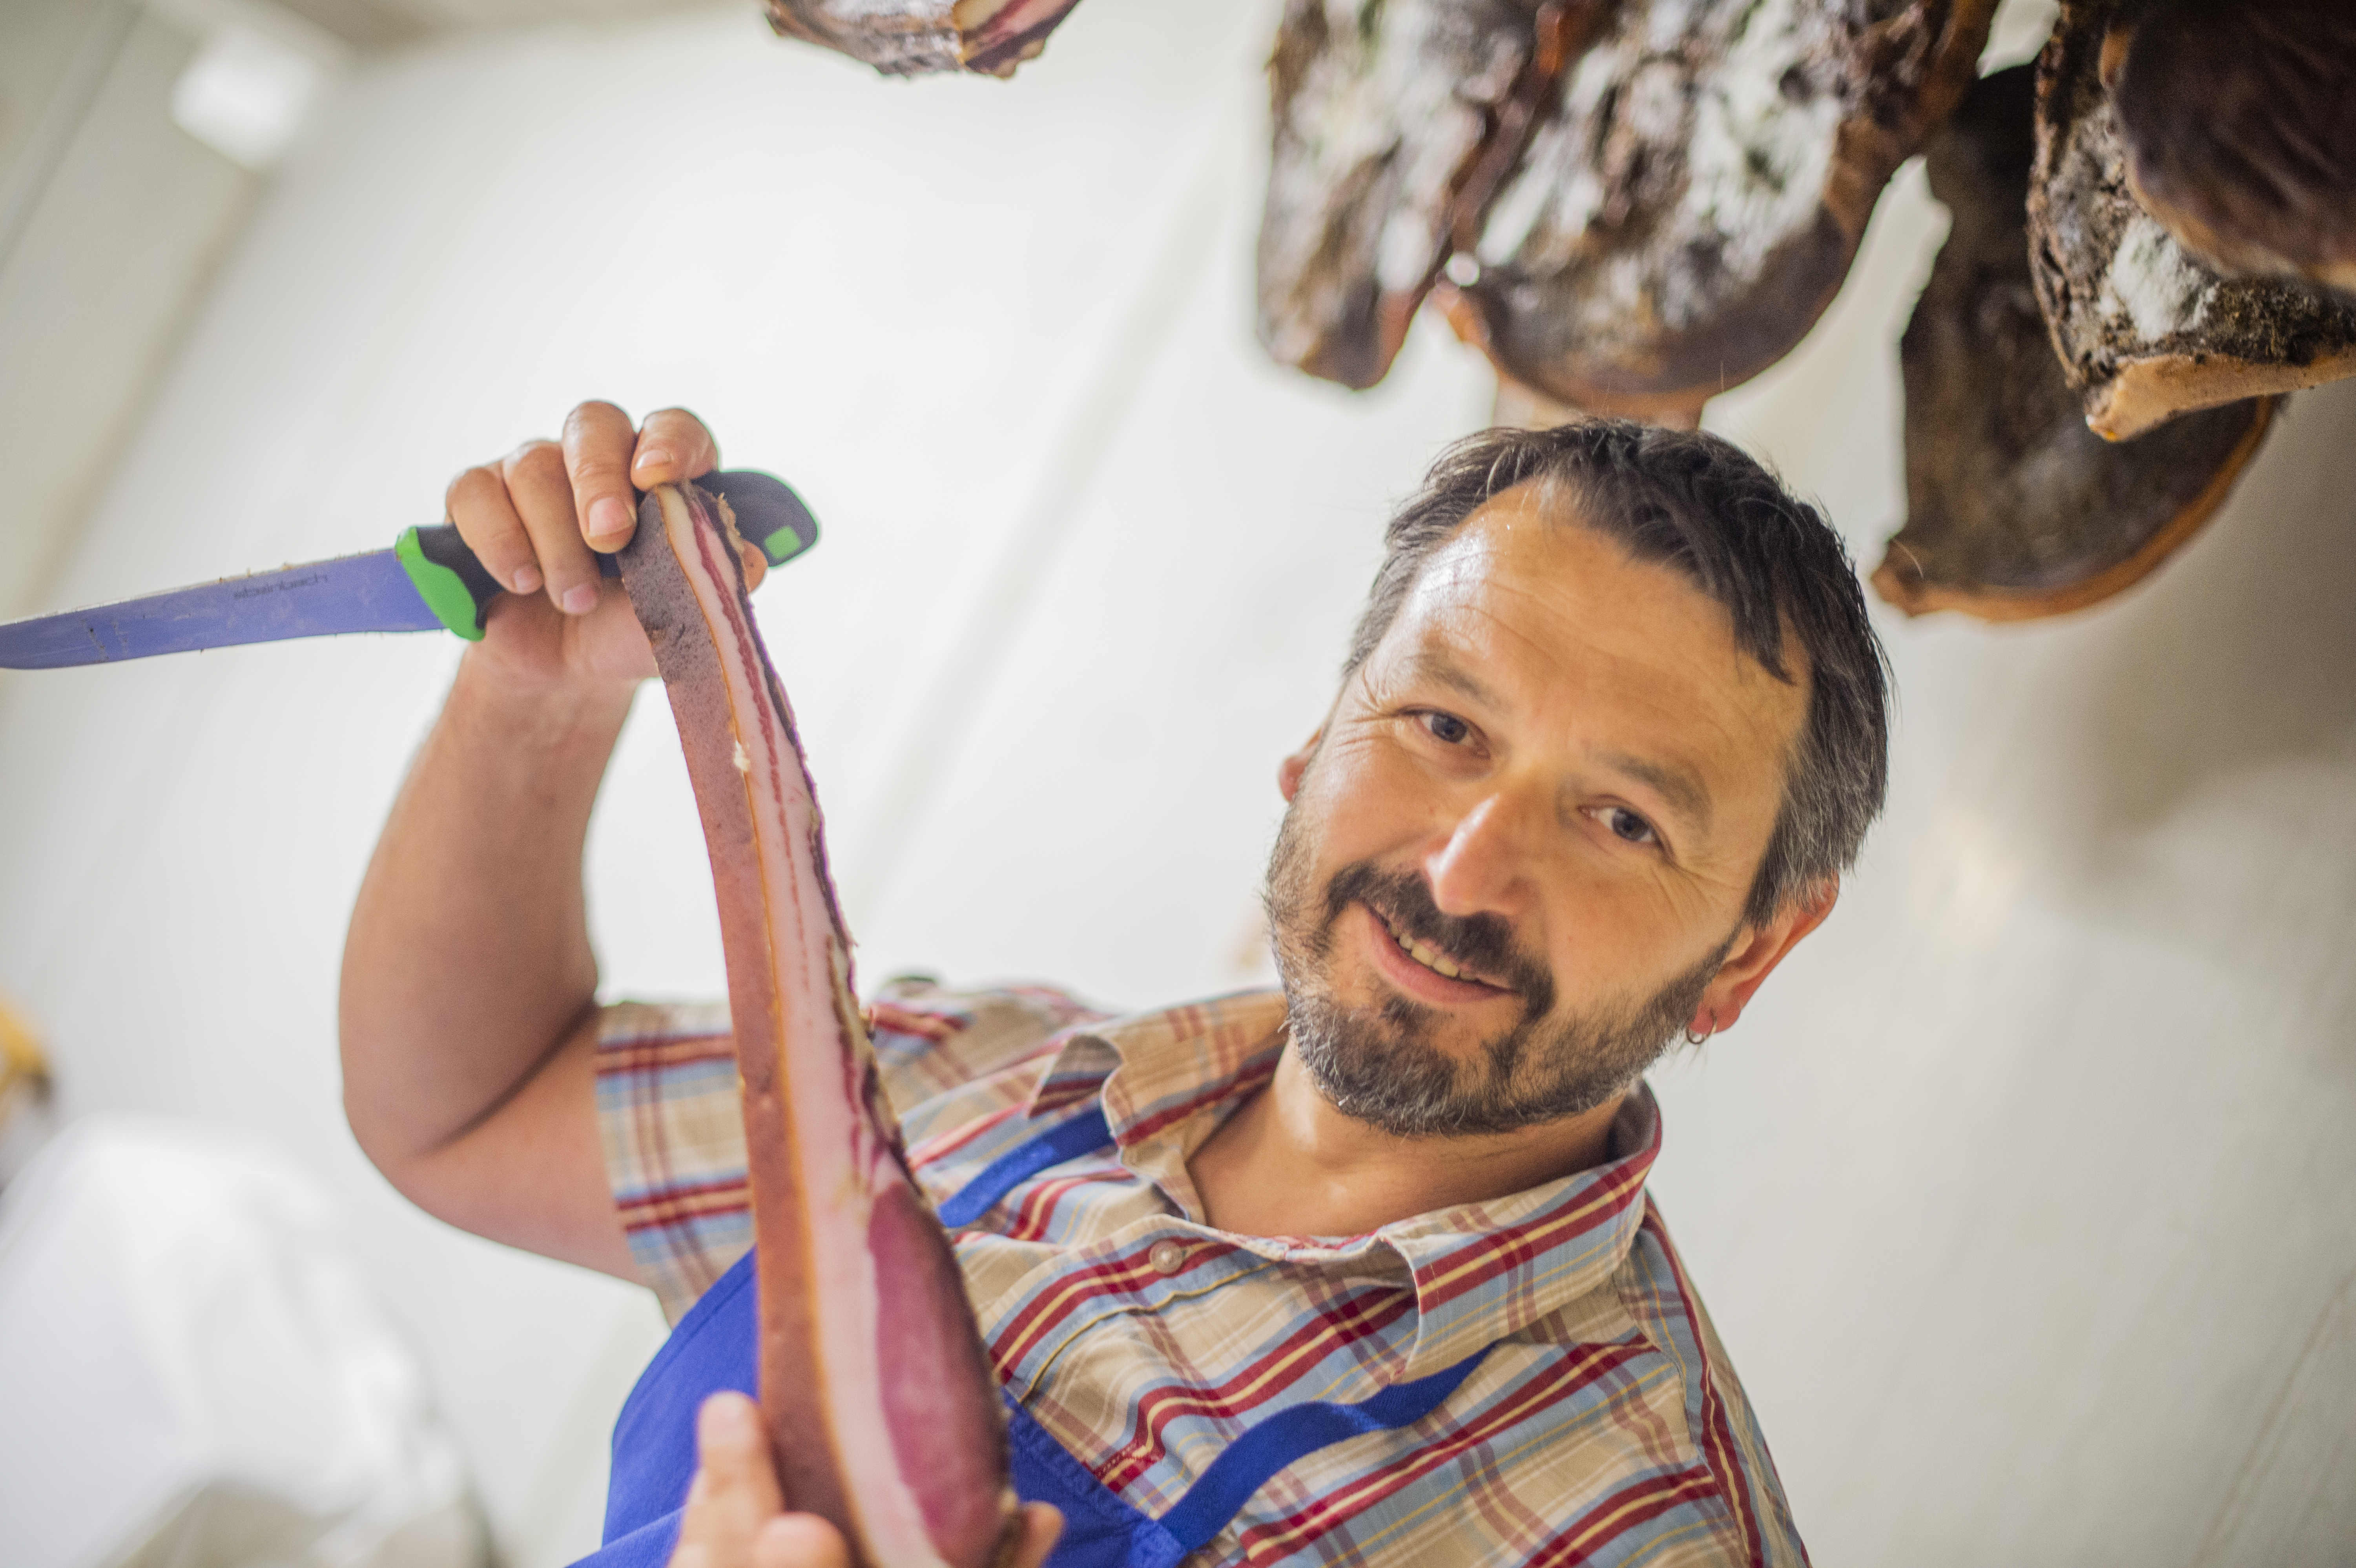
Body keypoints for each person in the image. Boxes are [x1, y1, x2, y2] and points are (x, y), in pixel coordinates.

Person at [340, 401, 1890, 1568]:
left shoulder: (1643, 1532)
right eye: (1440, 725)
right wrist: (529, 701)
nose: (1463, 870)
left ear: (1749, 949)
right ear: (1317, 737)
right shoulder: (975, 1076)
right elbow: (463, 1110)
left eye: (1621, 820)